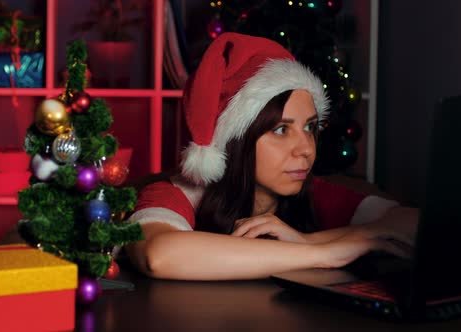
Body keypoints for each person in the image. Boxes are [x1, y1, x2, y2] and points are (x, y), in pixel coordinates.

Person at [125, 33, 418, 280]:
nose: (305, 148)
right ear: (236, 140)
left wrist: (306, 240)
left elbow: (415, 223)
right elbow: (160, 254)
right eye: (281, 130)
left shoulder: (310, 191)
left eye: (310, 127)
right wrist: (325, 253)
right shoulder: (178, 193)